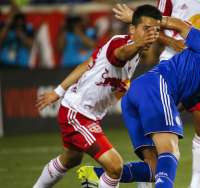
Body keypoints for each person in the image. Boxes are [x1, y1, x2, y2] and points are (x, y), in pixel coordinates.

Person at [77, 3, 200, 188]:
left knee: (155, 169)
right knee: (171, 153)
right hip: (156, 86)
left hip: (137, 96)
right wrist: (141, 19)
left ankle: (95, 175)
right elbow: (182, 26)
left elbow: (181, 104)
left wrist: (159, 120)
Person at [32, 5, 162, 188]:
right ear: (132, 29)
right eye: (146, 29)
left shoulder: (137, 54)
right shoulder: (120, 45)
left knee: (71, 159)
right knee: (115, 166)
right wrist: (139, 44)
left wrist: (57, 92)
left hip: (84, 113)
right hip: (77, 114)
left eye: (156, 30)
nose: (152, 34)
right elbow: (120, 54)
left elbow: (87, 64)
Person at [156, 1, 200, 187]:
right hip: (172, 61)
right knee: (160, 125)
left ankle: (196, 184)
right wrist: (172, 42)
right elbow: (153, 26)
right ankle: (147, 180)